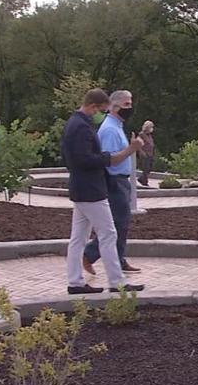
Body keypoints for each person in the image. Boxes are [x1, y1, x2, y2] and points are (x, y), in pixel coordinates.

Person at [60, 89, 144, 294]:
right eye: (102, 110)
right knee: (108, 234)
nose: (102, 114)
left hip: (82, 188)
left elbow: (77, 158)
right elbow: (85, 159)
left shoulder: (76, 124)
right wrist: (110, 157)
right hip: (91, 190)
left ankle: (75, 282)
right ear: (93, 106)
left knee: (78, 238)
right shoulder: (80, 127)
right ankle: (117, 282)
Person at [82, 90, 143, 275]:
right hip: (114, 181)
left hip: (121, 180)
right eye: (126, 104)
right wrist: (132, 149)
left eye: (130, 103)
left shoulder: (116, 126)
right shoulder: (109, 129)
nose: (130, 108)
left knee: (121, 223)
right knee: (116, 223)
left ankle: (119, 259)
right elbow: (108, 159)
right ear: (114, 106)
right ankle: (90, 254)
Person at [137, 120, 156, 187]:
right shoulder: (141, 134)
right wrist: (142, 152)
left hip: (150, 153)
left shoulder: (149, 135)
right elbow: (138, 144)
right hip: (145, 154)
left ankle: (142, 179)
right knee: (146, 167)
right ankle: (144, 181)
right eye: (151, 127)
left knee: (150, 167)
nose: (152, 128)